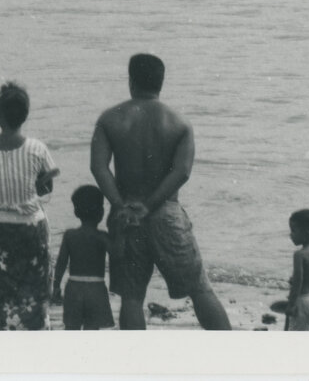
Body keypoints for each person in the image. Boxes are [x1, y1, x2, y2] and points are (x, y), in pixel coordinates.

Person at [90, 53, 232, 330]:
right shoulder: (179, 123)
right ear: (161, 82)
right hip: (166, 214)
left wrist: (119, 205)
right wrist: (150, 204)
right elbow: (182, 172)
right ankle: (233, 351)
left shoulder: (109, 119)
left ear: (131, 81)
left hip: (126, 214)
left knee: (132, 297)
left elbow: (99, 168)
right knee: (200, 289)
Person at [0, 81, 58, 330]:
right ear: (25, 115)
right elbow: (46, 188)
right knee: (33, 288)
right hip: (30, 228)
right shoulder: (38, 149)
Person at [51, 184, 114, 330]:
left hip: (74, 288)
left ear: (76, 212)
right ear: (101, 212)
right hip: (96, 288)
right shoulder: (103, 237)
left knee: (71, 329)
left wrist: (56, 287)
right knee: (92, 330)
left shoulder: (69, 235)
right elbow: (118, 255)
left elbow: (61, 263)